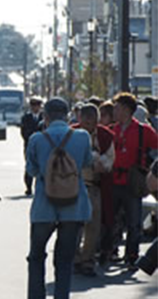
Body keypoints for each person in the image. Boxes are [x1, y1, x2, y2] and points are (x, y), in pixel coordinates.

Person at [23, 97, 93, 299]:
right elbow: (86, 163)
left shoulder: (36, 139)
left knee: (36, 256)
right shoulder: (82, 137)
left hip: (45, 205)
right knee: (64, 259)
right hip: (74, 205)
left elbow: (32, 170)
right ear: (69, 116)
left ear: (46, 116)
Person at [101, 93, 158, 267]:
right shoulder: (112, 130)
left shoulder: (143, 130)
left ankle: (131, 255)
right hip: (113, 181)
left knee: (134, 222)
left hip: (133, 182)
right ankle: (109, 251)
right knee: (110, 220)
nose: (114, 111)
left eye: (117, 107)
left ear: (126, 109)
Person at [72, 104, 115, 277]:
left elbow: (109, 161)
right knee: (74, 225)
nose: (89, 124)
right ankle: (73, 258)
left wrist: (100, 163)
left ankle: (87, 260)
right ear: (79, 119)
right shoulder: (71, 134)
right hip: (73, 186)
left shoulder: (105, 136)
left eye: (92, 121)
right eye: (85, 120)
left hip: (95, 185)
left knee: (93, 226)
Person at [21, 97, 44, 196]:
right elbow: (23, 131)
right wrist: (31, 138)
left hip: (42, 145)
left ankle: (39, 187)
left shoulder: (44, 117)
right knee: (29, 165)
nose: (35, 108)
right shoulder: (26, 118)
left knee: (41, 165)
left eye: (37, 106)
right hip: (29, 144)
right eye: (33, 105)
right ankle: (28, 187)